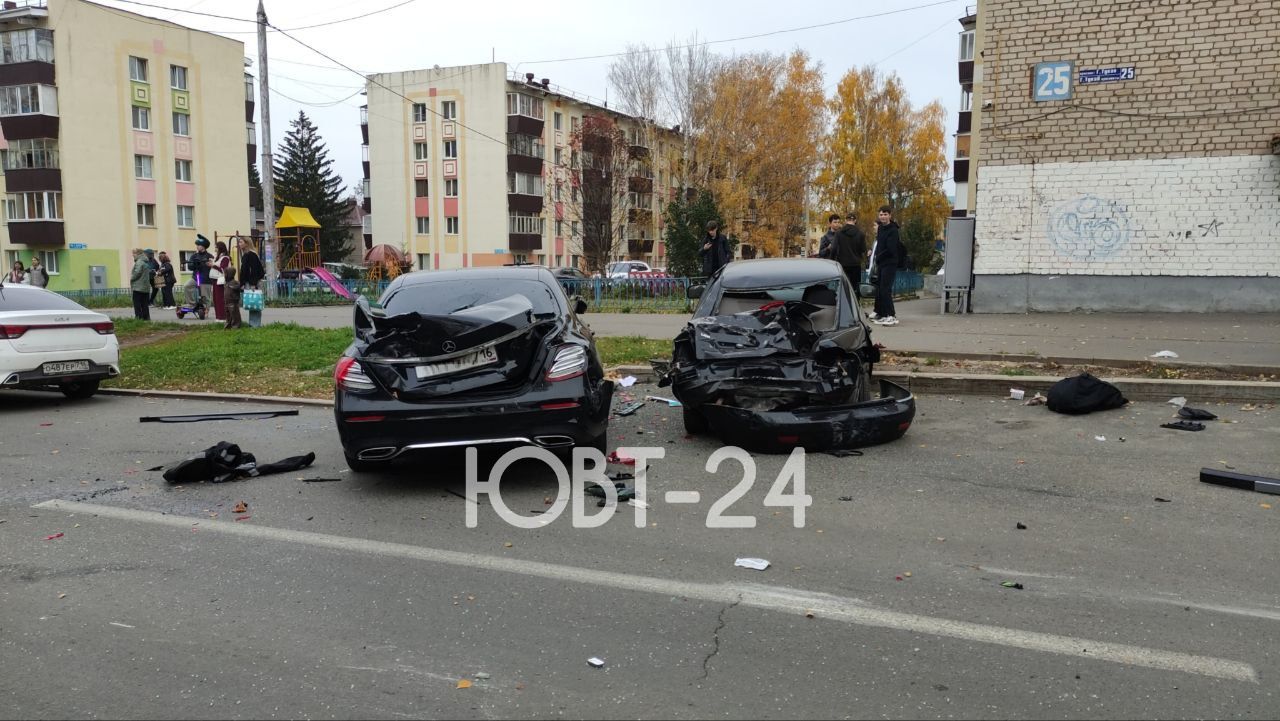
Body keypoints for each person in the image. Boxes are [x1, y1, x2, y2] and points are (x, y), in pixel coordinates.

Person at [871, 205, 902, 326]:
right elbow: (879, 245)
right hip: (881, 263)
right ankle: (883, 314)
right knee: (880, 289)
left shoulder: (893, 230)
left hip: (890, 263)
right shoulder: (880, 229)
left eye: (885, 214)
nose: (883, 217)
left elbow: (891, 249)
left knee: (885, 289)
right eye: (881, 214)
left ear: (890, 215)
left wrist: (879, 256)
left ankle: (891, 315)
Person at [184, 236, 214, 307]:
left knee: (205, 297)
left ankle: (206, 310)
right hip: (196, 278)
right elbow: (190, 267)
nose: (197, 246)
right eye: (197, 245)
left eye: (198, 245)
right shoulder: (194, 256)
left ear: (203, 246)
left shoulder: (210, 256)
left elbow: (212, 266)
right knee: (187, 286)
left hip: (206, 279)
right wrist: (194, 264)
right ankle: (192, 303)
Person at [129, 248, 152, 320]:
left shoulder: (139, 262)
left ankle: (138, 318)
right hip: (145, 287)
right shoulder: (145, 262)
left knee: (137, 304)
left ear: (137, 254)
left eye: (133, 253)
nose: (133, 255)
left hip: (138, 287)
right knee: (145, 304)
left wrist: (132, 278)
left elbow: (137, 272)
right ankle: (146, 318)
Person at [211, 241, 231, 321]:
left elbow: (223, 269)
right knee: (216, 299)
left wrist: (213, 265)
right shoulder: (218, 257)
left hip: (220, 281)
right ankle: (218, 316)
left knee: (220, 299)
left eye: (216, 247)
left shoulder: (225, 258)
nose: (215, 249)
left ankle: (222, 317)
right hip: (215, 280)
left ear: (220, 248)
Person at [223, 265, 243, 329]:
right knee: (228, 315)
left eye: (225, 274)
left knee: (235, 315)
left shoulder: (234, 282)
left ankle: (235, 326)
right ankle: (228, 325)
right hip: (227, 301)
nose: (224, 275)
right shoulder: (227, 283)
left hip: (233, 301)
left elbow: (239, 288)